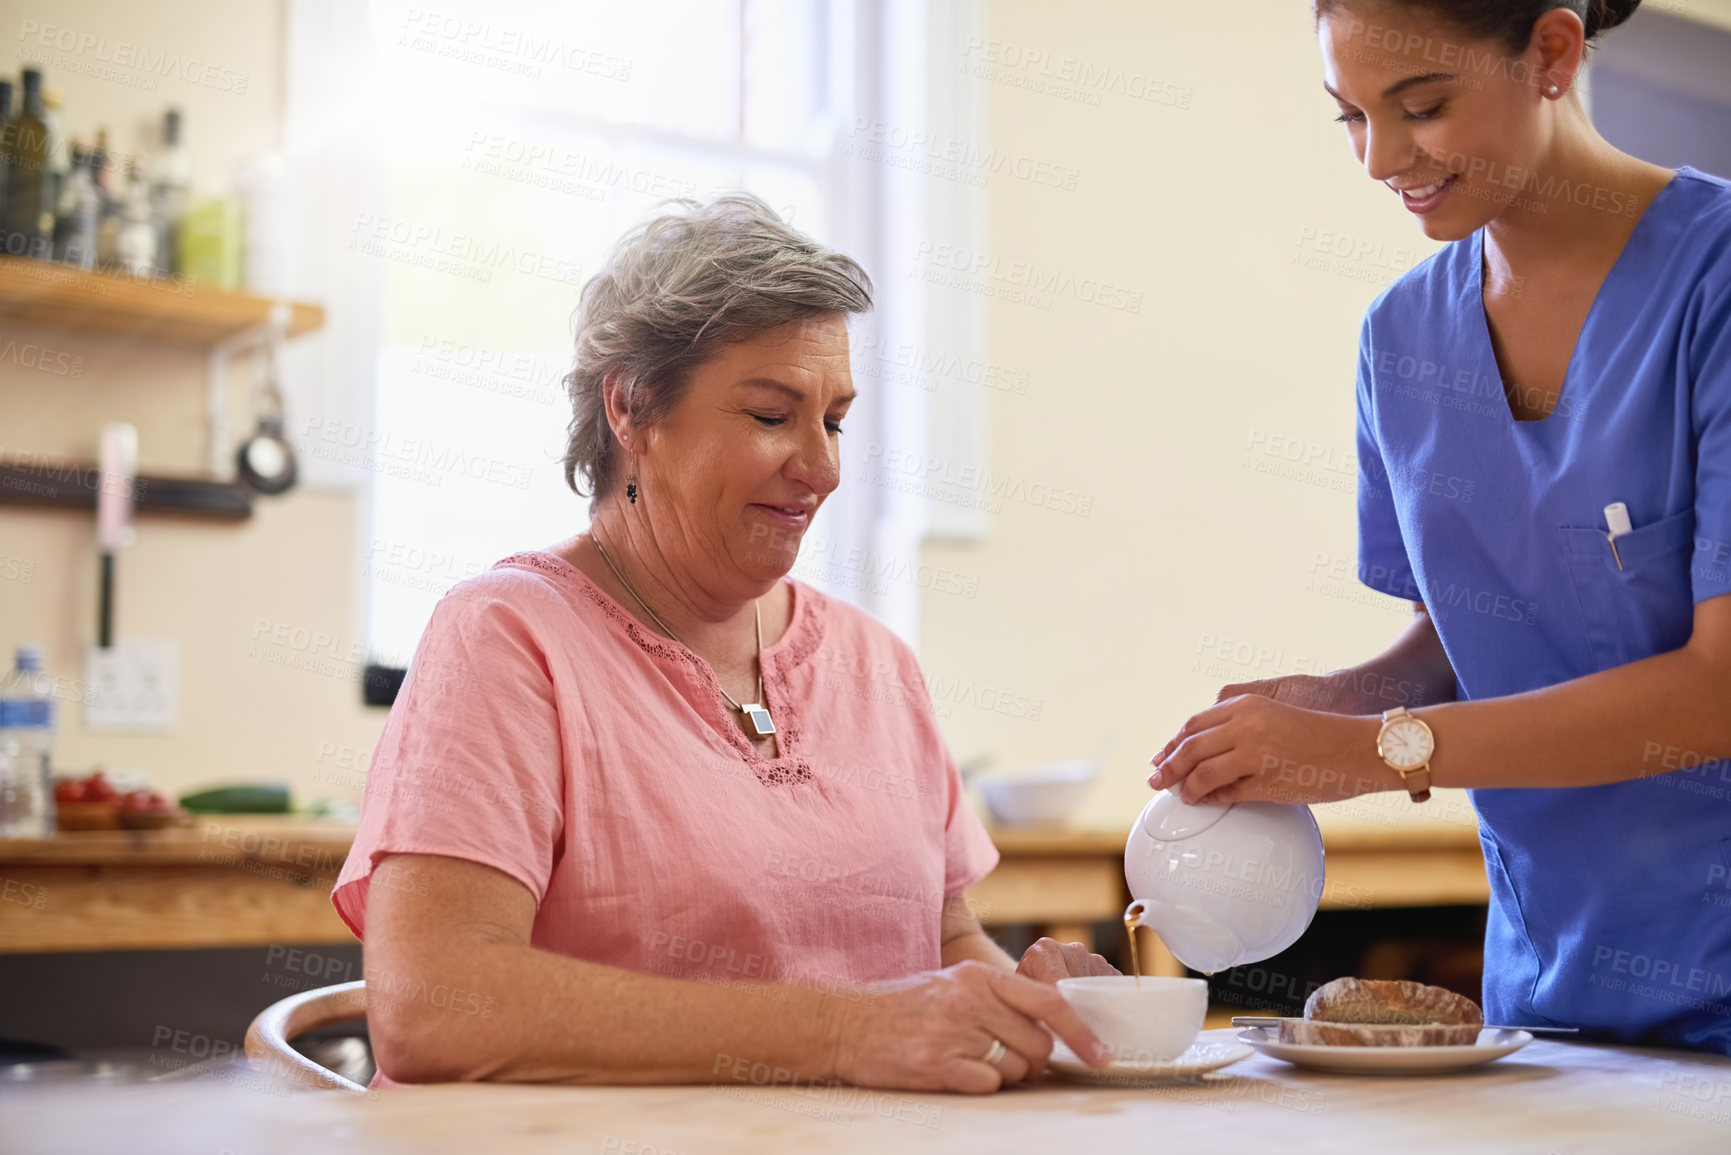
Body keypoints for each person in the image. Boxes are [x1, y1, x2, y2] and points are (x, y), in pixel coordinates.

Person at [333, 194, 1115, 1092]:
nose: (821, 468)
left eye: (834, 420)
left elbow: (937, 944)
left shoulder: (875, 663)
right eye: (772, 416)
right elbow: (433, 1004)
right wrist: (840, 1033)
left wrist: (1027, 1003)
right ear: (630, 407)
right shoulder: (507, 638)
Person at [1151, 0, 1731, 1053]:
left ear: (1552, 53)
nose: (1381, 159)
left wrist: (1374, 749)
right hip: (1554, 990)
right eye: (1351, 118)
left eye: (1421, 106)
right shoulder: (1403, 339)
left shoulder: (1716, 287)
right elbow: (1476, 637)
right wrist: (1345, 703)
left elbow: (1719, 686)